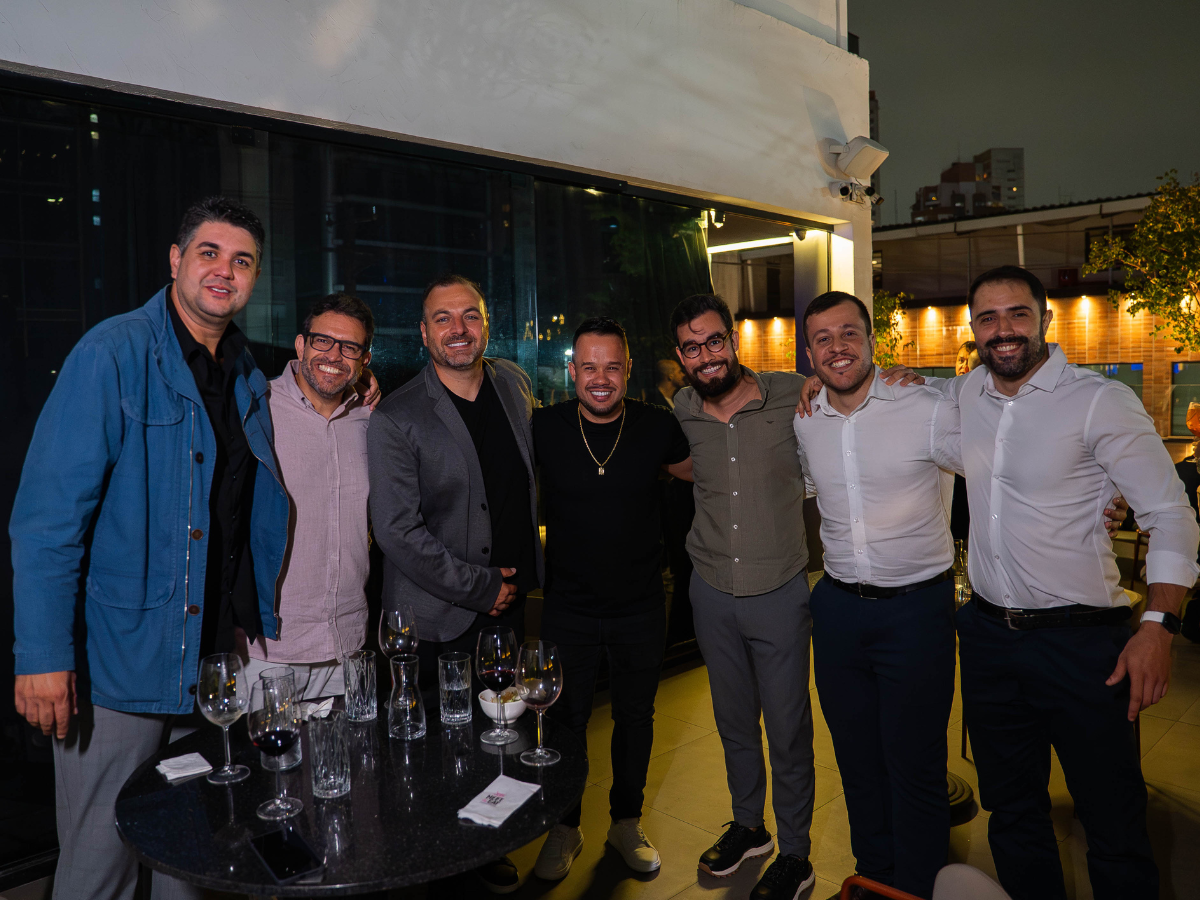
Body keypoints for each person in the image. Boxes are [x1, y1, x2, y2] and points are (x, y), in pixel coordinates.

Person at [10, 197, 291, 900]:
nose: (224, 270)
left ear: (255, 278)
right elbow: (46, 523)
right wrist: (42, 656)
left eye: (242, 260)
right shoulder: (112, 353)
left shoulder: (246, 373)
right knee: (98, 869)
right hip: (120, 666)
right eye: (209, 253)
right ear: (175, 259)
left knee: (188, 865)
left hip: (207, 666)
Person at [930, 266, 1200, 900]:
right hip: (990, 639)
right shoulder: (966, 393)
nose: (1003, 330)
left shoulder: (1099, 400)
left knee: (1111, 817)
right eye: (988, 318)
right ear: (973, 329)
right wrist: (837, 382)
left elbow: (1171, 516)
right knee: (1011, 810)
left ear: (1045, 321)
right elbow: (911, 408)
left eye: (1017, 314)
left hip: (1082, 645)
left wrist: (1159, 627)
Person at [367, 273, 542, 895]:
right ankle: (437, 859)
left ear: (486, 325)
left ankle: (486, 844)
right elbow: (396, 531)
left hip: (507, 608)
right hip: (435, 618)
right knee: (438, 750)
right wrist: (478, 587)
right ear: (424, 333)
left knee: (499, 733)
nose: (458, 328)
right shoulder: (396, 416)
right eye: (443, 318)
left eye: (470, 315)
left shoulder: (513, 384)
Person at [793, 291, 961, 899]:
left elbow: (1003, 455)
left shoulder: (926, 405)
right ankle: (874, 880)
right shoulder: (805, 420)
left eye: (848, 333)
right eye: (822, 338)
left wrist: (1104, 497)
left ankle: (918, 888)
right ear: (809, 352)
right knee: (857, 761)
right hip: (838, 608)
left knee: (914, 765)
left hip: (916, 610)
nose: (837, 347)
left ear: (871, 339)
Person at [531, 318, 692, 881]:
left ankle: (626, 822)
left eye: (612, 367)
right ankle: (565, 826)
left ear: (628, 371)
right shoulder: (544, 426)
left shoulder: (656, 426)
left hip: (640, 606)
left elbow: (713, 459)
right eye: (589, 367)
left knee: (636, 718)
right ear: (572, 371)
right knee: (564, 722)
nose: (600, 379)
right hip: (567, 608)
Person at [670, 294, 816, 900]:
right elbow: (682, 467)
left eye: (714, 341)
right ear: (680, 357)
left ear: (732, 340)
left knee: (787, 728)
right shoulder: (681, 410)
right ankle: (750, 827)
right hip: (710, 589)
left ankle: (797, 853)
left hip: (779, 590)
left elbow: (854, 393)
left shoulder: (792, 393)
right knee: (733, 722)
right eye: (691, 348)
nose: (706, 355)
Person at [238, 293, 375, 698]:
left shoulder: (372, 421)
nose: (334, 355)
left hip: (348, 646)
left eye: (349, 347)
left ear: (364, 360)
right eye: (322, 341)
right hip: (268, 650)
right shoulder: (255, 410)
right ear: (301, 345)